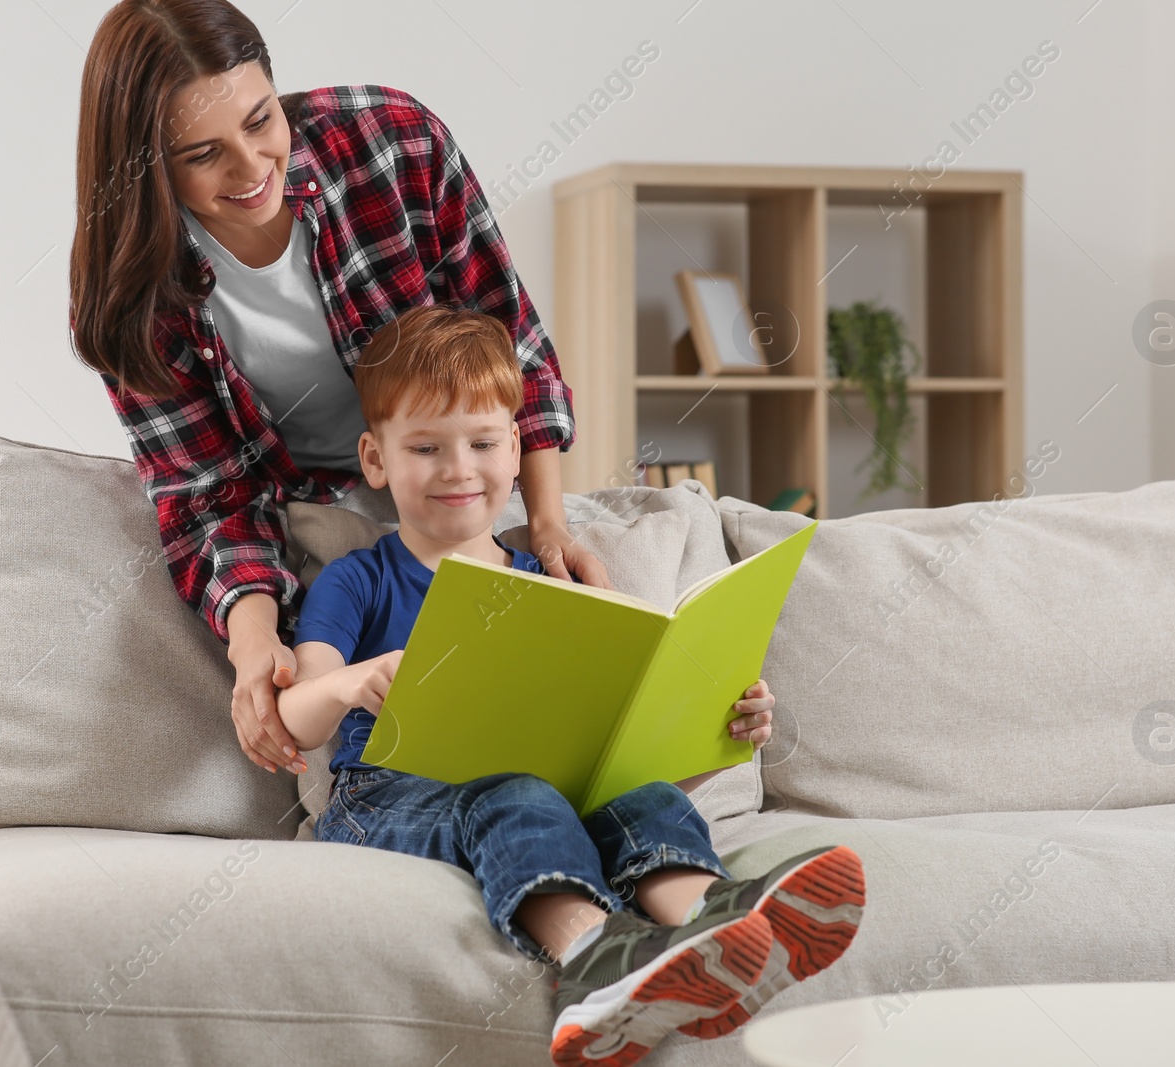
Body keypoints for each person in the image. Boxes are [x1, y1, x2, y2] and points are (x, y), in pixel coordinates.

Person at [278, 305, 864, 1066]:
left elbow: (614, 760)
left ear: (516, 449)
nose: (460, 468)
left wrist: (718, 735)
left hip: (544, 790)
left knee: (646, 799)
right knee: (518, 794)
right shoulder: (362, 577)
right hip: (385, 797)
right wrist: (353, 680)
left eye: (484, 443)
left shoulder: (546, 587)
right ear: (376, 458)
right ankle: (592, 961)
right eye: (426, 447)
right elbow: (298, 717)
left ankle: (710, 929)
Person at [66, 0, 609, 784]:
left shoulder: (395, 141)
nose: (252, 169)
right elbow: (210, 496)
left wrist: (549, 522)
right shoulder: (134, 301)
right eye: (202, 154)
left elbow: (507, 336)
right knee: (382, 741)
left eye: (261, 121)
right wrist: (255, 644)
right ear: (147, 165)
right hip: (311, 510)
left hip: (452, 474)